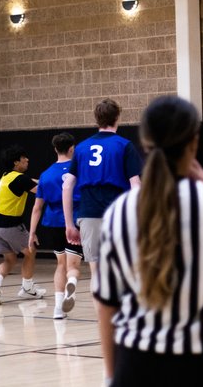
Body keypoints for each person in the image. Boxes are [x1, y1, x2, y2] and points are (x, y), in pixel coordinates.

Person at [94, 95, 203, 387]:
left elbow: (106, 303)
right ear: (194, 143)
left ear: (144, 143)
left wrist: (110, 375)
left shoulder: (119, 210)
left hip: (137, 363)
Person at [62, 98, 142, 305]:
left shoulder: (80, 148)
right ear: (117, 118)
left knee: (96, 272)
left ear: (96, 119)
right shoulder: (124, 145)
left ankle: (103, 321)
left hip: (89, 213)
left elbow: (67, 186)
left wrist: (69, 224)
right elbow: (136, 186)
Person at [28, 133, 84, 319]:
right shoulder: (79, 170)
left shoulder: (46, 174)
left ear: (55, 149)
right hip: (75, 220)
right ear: (72, 149)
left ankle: (58, 309)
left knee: (60, 264)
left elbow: (37, 208)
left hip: (52, 222)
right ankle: (73, 282)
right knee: (73, 265)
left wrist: (32, 232)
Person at [0, 145, 46, 304]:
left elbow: (31, 182)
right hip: (10, 226)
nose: (27, 160)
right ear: (16, 163)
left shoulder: (7, 175)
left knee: (10, 259)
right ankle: (28, 288)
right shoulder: (21, 179)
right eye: (23, 158)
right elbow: (42, 189)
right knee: (31, 251)